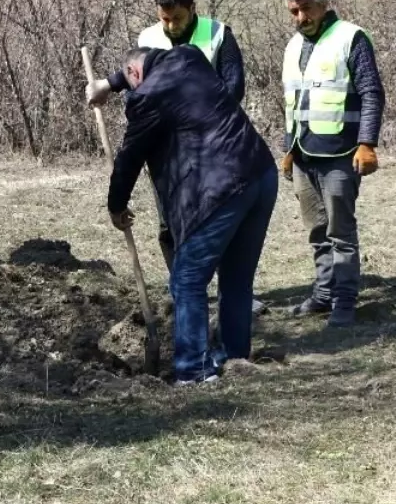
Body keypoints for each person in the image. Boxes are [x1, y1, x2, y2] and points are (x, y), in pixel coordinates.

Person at [104, 46, 277, 385]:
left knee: (187, 279)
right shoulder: (190, 57)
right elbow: (141, 68)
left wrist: (116, 204)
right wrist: (111, 84)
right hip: (260, 174)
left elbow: (129, 157)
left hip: (218, 187)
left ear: (136, 75)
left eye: (130, 83)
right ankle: (235, 357)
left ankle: (193, 369)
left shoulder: (146, 97)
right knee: (237, 280)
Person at [280, 0, 385, 329]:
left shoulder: (350, 38)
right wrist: (288, 148)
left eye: (305, 8)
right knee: (316, 231)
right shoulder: (294, 46)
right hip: (304, 155)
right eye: (294, 10)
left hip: (342, 153)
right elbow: (293, 102)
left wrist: (367, 143)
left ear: (323, 4)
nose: (299, 17)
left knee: (341, 233)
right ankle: (323, 294)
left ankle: (344, 301)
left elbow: (371, 93)